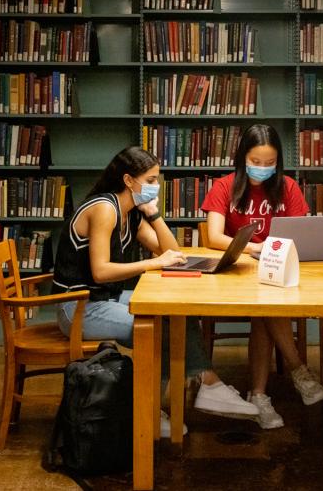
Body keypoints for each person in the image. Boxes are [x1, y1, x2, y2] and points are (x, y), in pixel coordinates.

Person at [53, 146, 259, 437]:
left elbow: (173, 252)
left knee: (177, 312)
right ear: (128, 180)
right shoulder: (105, 209)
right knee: (162, 328)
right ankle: (158, 408)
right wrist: (153, 263)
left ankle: (205, 386)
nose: (156, 186)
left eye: (157, 180)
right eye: (150, 180)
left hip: (105, 299)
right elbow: (100, 270)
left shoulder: (130, 212)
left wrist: (154, 214)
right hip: (77, 307)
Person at [200, 124, 323, 429]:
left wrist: (276, 252)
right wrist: (255, 247)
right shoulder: (224, 187)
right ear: (243, 157)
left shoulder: (288, 188)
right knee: (266, 305)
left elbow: (301, 232)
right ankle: (298, 370)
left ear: (278, 162)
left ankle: (258, 395)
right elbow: (214, 236)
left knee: (265, 309)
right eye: (256, 162)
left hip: (277, 271)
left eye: (269, 163)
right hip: (237, 273)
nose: (262, 168)